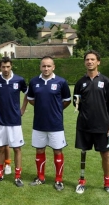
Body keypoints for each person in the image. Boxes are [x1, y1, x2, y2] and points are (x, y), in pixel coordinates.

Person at [73, 50, 109, 196]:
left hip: (102, 126)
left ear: (98, 62)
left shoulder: (105, 81)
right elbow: (77, 104)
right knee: (83, 153)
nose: (90, 62)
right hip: (84, 125)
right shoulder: (80, 83)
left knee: (105, 154)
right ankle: (81, 182)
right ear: (84, 62)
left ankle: (107, 183)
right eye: (87, 59)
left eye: (93, 59)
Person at [27, 56, 71, 191]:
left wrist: (56, 109)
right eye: (43, 66)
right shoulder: (34, 81)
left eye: (49, 66)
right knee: (39, 149)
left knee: (57, 150)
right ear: (40, 67)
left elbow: (67, 100)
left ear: (53, 67)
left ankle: (59, 180)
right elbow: (31, 99)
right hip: (39, 123)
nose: (46, 68)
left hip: (55, 124)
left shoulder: (61, 82)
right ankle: (40, 177)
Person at [0, 56, 28, 187]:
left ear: (11, 66)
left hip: (15, 121)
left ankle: (17, 177)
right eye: (3, 67)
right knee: (0, 148)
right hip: (0, 121)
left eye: (8, 67)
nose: (5, 69)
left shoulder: (19, 80)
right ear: (0, 66)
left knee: (17, 148)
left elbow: (27, 93)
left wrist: (23, 108)